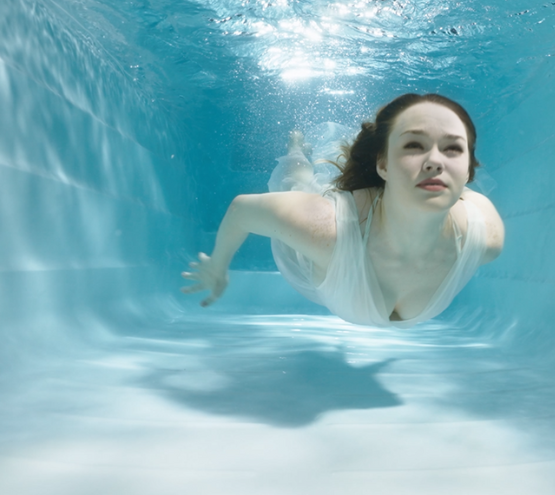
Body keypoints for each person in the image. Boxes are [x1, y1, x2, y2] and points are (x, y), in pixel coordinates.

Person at [181, 93, 504, 328]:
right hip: (323, 253)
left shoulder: (484, 237)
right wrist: (218, 266)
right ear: (383, 165)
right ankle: (297, 147)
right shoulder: (326, 230)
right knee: (298, 181)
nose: (435, 160)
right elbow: (242, 209)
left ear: (469, 172)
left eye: (453, 148)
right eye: (413, 145)